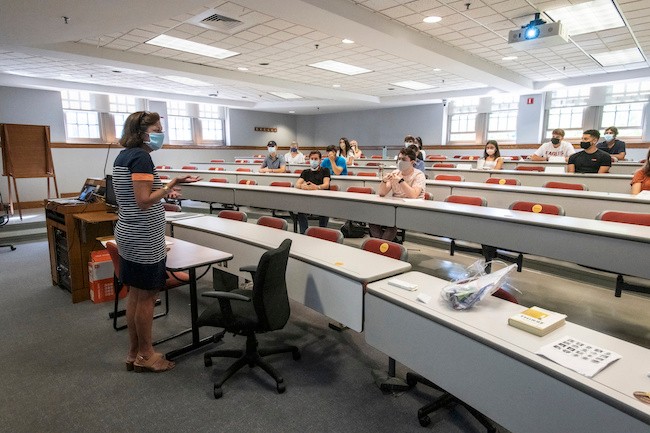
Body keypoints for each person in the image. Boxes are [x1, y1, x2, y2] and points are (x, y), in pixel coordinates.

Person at [113, 111, 200, 373]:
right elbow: (142, 201)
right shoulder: (140, 157)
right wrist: (171, 183)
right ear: (141, 132)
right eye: (157, 128)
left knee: (136, 296)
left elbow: (137, 196)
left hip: (129, 233)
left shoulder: (124, 155)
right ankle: (147, 355)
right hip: (144, 238)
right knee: (148, 297)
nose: (161, 132)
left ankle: (134, 353)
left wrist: (163, 192)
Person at [369, 147, 426, 240]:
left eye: (403, 159)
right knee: (372, 218)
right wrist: (384, 181)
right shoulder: (395, 173)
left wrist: (401, 181)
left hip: (411, 209)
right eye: (399, 159)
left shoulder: (419, 175)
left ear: (412, 162)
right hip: (394, 207)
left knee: (393, 222)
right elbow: (382, 193)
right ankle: (381, 245)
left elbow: (413, 195)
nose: (400, 161)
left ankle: (381, 245)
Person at [295, 150, 331, 233]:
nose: (313, 161)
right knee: (300, 209)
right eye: (312, 159)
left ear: (320, 160)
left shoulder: (325, 170)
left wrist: (317, 187)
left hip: (322, 199)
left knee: (324, 211)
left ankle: (322, 231)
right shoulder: (305, 172)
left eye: (316, 159)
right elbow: (297, 184)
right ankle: (304, 232)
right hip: (308, 199)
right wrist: (302, 186)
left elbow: (326, 185)